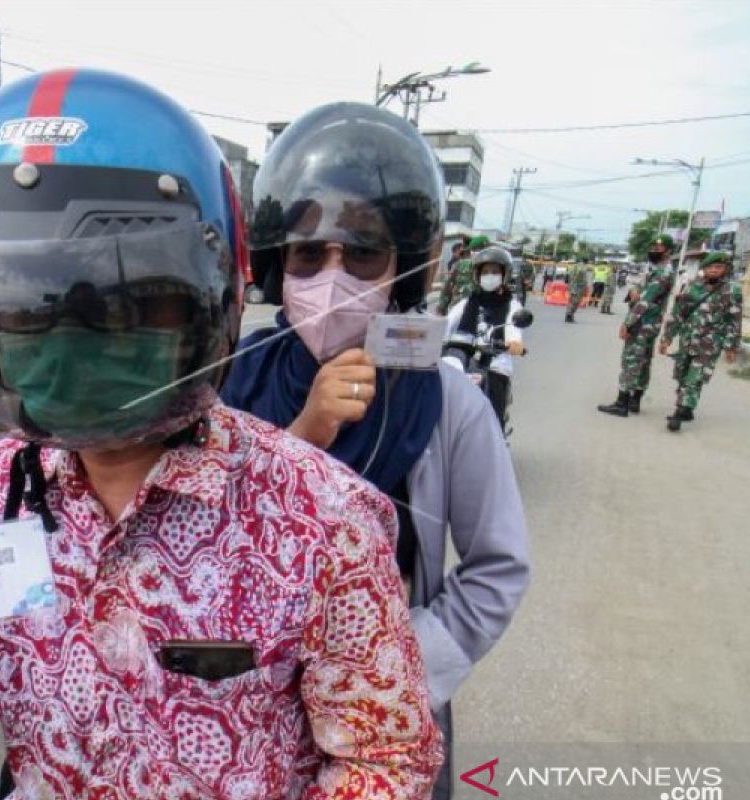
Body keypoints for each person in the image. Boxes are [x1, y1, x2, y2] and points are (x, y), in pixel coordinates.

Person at [0, 69, 441, 800]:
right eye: (24, 311)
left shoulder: (324, 520)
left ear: (214, 299)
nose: (65, 338)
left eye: (123, 302)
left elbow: (384, 760)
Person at [222, 101, 529, 800]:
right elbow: (198, 531)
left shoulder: (448, 405)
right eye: (309, 255)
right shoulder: (234, 377)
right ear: (279, 265)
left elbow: (498, 567)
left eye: (362, 254)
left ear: (404, 268)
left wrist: (395, 668)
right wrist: (307, 435)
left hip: (382, 720)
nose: (333, 277)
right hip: (240, 707)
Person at [659, 251, 743, 431]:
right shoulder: (691, 287)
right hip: (687, 340)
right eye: (710, 267)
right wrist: (666, 338)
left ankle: (679, 413)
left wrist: (731, 347)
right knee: (682, 374)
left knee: (694, 378)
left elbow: (734, 320)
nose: (714, 270)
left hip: (709, 345)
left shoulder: (732, 290)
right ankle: (688, 409)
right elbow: (678, 314)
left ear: (725, 269)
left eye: (718, 267)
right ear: (704, 269)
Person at [444, 245, 527, 426]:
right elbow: (447, 323)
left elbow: (514, 326)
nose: (490, 275)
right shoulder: (468, 302)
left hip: (496, 363)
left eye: (495, 271)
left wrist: (514, 342)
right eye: (486, 271)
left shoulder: (511, 304)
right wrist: (434, 337)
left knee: (494, 408)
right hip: (464, 360)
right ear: (478, 275)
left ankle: (496, 433)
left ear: (504, 275)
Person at [597, 234, 678, 416]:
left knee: (631, 360)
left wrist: (627, 323)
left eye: (658, 249)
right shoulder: (658, 269)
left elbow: (645, 301)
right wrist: (635, 290)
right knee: (643, 361)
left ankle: (621, 403)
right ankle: (635, 401)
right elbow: (641, 291)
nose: (653, 251)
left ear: (669, 251)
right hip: (650, 323)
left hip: (642, 322)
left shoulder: (663, 273)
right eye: (653, 248)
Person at [435, 234, 491, 315]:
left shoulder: (493, 270)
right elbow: (448, 285)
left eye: (483, 250)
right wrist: (442, 306)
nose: (479, 252)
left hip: (479, 313)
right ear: (471, 250)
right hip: (457, 310)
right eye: (476, 249)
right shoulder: (460, 265)